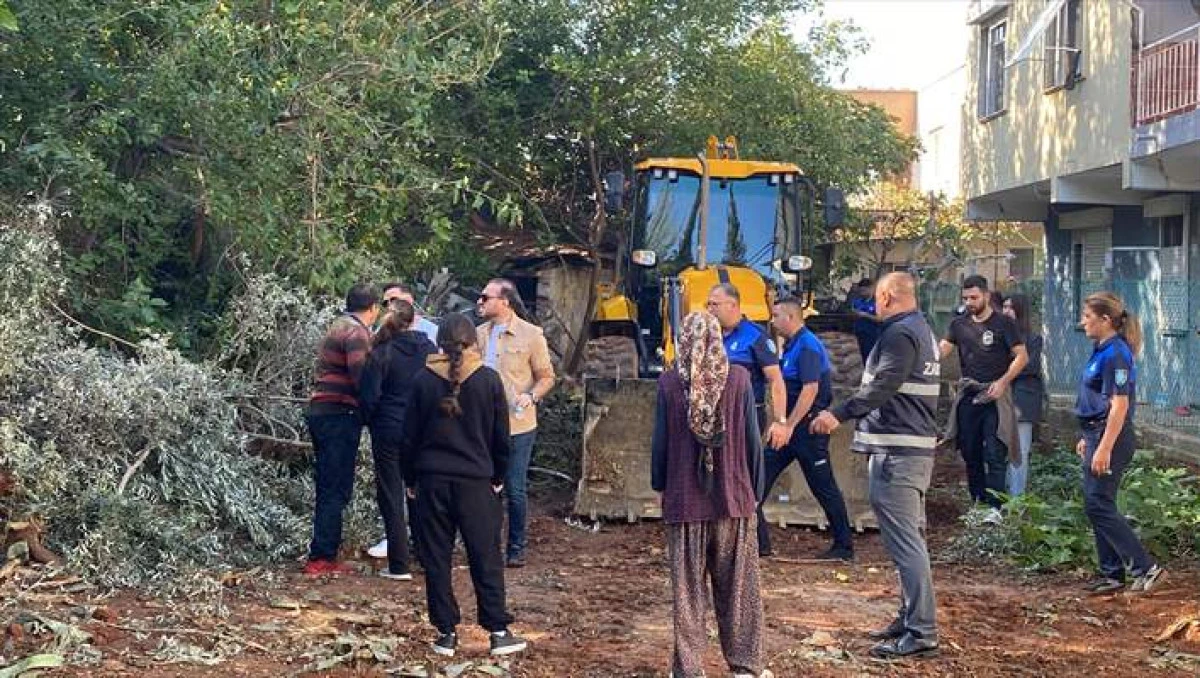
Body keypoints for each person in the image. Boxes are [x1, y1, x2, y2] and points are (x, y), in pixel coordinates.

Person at [810, 272, 940, 660]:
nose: (872, 306)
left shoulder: (900, 335)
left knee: (906, 544)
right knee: (907, 541)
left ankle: (921, 631)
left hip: (898, 453)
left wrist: (839, 414)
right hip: (908, 451)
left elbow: (883, 385)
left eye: (874, 299)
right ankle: (909, 618)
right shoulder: (920, 330)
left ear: (886, 297)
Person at [402, 313, 528, 657]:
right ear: (474, 341)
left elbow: (408, 437)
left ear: (438, 341)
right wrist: (499, 477)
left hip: (431, 481)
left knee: (436, 558)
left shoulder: (421, 381)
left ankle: (445, 633)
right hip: (477, 483)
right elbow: (501, 437)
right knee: (485, 556)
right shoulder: (488, 380)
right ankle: (498, 631)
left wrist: (409, 479)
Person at [651, 311, 765, 678]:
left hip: (684, 502)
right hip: (734, 500)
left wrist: (660, 487)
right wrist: (754, 492)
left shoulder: (669, 383)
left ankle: (689, 670)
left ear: (683, 341)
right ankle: (745, 667)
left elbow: (660, 444)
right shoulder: (740, 379)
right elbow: (752, 441)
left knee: (687, 593)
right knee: (739, 587)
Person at [1074, 293, 1166, 594]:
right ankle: (1112, 574)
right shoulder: (1100, 349)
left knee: (1098, 503)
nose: (1082, 322)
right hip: (1095, 433)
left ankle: (1145, 567)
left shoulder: (1116, 354)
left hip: (1110, 437)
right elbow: (1096, 397)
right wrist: (1087, 437)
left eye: (1087, 317)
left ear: (1105, 320)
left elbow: (1119, 406)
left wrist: (1104, 446)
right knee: (1097, 503)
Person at [756, 297, 854, 560]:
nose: (773, 322)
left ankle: (844, 546)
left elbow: (810, 390)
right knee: (757, 483)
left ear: (790, 317)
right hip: (788, 430)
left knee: (824, 487)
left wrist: (788, 424)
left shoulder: (808, 345)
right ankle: (759, 546)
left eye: (776, 316)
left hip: (806, 431)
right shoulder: (791, 345)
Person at [476, 278, 556, 568]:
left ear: (505, 302)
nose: (480, 302)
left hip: (518, 424)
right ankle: (488, 544)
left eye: (486, 297)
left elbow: (547, 376)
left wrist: (531, 397)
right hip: (483, 425)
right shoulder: (479, 335)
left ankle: (516, 546)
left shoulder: (531, 334)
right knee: (485, 486)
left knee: (514, 487)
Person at [304, 283, 380, 576]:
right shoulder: (357, 333)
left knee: (329, 484)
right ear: (373, 308)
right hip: (339, 413)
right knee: (335, 487)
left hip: (323, 411)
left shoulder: (338, 325)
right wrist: (374, 412)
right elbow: (362, 376)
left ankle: (325, 552)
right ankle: (321, 557)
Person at [359, 301, 437, 580]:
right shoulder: (430, 351)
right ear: (415, 320)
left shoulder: (381, 352)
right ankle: (429, 557)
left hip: (389, 428)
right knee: (420, 491)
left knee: (391, 493)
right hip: (422, 429)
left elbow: (369, 397)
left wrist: (371, 421)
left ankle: (399, 564)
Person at [940, 275, 1028, 513]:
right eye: (965, 298)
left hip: (995, 395)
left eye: (974, 297)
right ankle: (978, 504)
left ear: (987, 296)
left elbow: (1021, 356)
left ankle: (995, 509)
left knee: (995, 451)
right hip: (969, 394)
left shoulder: (1004, 324)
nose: (969, 302)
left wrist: (1003, 382)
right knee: (970, 452)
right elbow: (941, 352)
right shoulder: (958, 324)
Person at [706, 283, 789, 449]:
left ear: (733, 305)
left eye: (715, 304)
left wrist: (780, 421)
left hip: (746, 416)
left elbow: (776, 380)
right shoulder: (710, 336)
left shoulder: (755, 336)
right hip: (715, 416)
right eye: (708, 304)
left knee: (740, 469)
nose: (710, 309)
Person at [1002, 294, 1043, 496]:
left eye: (1011, 307)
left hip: (1023, 401)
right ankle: (999, 495)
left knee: (1021, 451)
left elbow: (1030, 366)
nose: (1006, 311)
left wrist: (1007, 371)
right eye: (1004, 306)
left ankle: (1016, 498)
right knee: (1000, 450)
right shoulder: (999, 337)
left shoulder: (1033, 339)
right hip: (1002, 399)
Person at [850, 278, 882, 364]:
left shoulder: (878, 303)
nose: (862, 292)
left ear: (871, 288)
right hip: (860, 333)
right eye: (860, 290)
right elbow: (852, 316)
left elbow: (881, 319)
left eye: (864, 290)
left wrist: (865, 315)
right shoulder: (857, 302)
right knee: (864, 356)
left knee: (873, 357)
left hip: (873, 334)